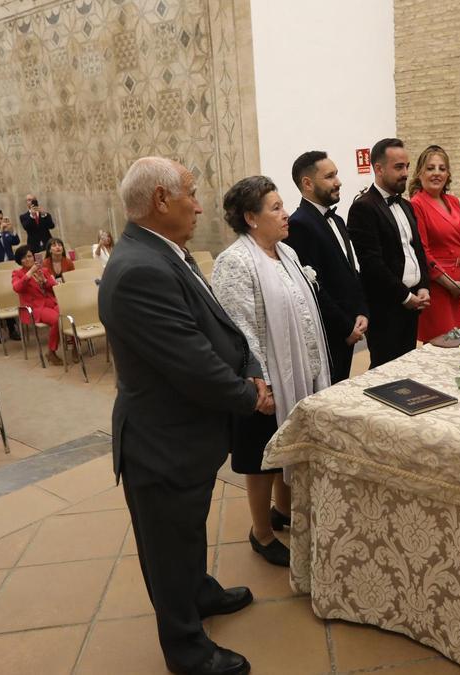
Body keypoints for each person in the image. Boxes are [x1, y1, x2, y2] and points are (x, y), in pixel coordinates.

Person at [100, 157, 267, 675]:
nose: (199, 205)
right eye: (191, 194)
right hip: (160, 441)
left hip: (184, 435)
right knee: (167, 547)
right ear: (160, 201)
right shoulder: (138, 270)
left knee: (188, 528)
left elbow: (206, 329)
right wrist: (248, 394)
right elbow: (188, 359)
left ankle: (200, 592)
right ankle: (187, 649)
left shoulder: (161, 252)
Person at [213, 176, 331, 568]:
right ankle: (261, 532)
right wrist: (259, 381)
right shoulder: (235, 261)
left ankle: (284, 511)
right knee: (260, 455)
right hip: (262, 379)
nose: (285, 214)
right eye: (276, 208)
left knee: (287, 445)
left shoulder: (287, 253)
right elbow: (238, 328)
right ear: (250, 217)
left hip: (299, 371)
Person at [284, 150, 368, 382]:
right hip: (328, 333)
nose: (338, 182)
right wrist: (345, 327)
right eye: (330, 176)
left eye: (336, 175)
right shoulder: (299, 225)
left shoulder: (338, 220)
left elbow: (351, 272)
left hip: (351, 324)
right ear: (308, 183)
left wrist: (361, 310)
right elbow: (313, 287)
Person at [347, 138, 430, 367]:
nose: (405, 173)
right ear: (379, 168)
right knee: (385, 371)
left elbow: (417, 250)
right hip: (387, 306)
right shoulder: (363, 207)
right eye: (398, 167)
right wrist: (405, 296)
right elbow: (371, 263)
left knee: (406, 367)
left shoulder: (406, 205)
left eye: (406, 166)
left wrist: (423, 285)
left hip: (412, 303)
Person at [408, 145, 460, 341]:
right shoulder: (416, 204)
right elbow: (423, 252)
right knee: (441, 344)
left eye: (442, 168)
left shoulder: (453, 201)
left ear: (448, 174)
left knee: (457, 342)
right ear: (420, 173)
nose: (437, 173)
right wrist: (450, 283)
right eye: (430, 168)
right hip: (437, 286)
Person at [11, 244, 67, 366]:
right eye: (24, 258)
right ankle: (51, 351)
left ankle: (73, 347)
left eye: (30, 256)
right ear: (19, 261)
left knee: (68, 314)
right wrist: (30, 273)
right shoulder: (17, 273)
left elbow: (55, 288)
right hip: (34, 307)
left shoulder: (44, 271)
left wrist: (45, 281)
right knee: (58, 320)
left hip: (51, 302)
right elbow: (17, 288)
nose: (27, 260)